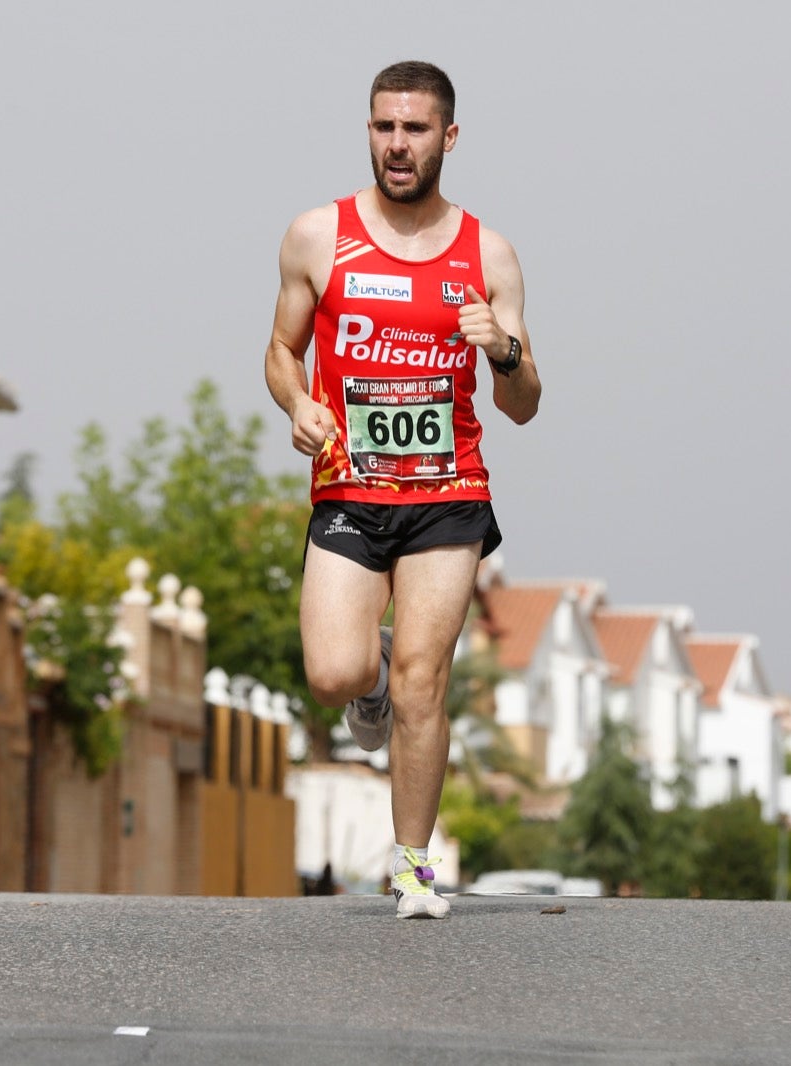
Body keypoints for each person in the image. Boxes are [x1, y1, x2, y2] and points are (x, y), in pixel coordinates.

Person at [263, 61, 541, 919]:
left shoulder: (486, 252)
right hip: (350, 486)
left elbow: (524, 404)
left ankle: (413, 865)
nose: (398, 144)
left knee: (427, 681)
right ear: (369, 130)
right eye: (384, 126)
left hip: (448, 491)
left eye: (415, 129)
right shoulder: (319, 235)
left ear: (447, 137)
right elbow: (280, 350)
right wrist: (299, 403)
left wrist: (500, 347)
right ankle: (370, 680)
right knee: (334, 671)